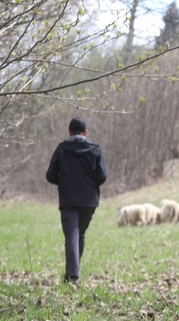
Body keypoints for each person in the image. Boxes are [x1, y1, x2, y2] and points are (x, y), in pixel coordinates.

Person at [45, 117, 108, 285]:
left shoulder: (62, 149)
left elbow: (50, 176)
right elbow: (102, 176)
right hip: (89, 201)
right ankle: (74, 273)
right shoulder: (95, 150)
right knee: (80, 233)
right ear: (86, 133)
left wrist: (65, 181)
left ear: (69, 132)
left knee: (72, 234)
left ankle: (73, 275)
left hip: (69, 200)